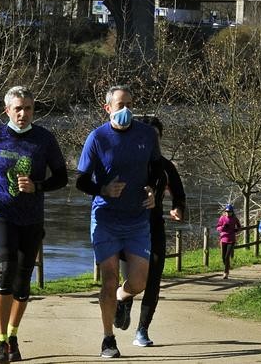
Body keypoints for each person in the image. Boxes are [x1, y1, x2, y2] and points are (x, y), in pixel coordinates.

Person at [0, 86, 68, 363]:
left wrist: (37, 186)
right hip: (1, 213)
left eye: (28, 108)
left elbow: (61, 177)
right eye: (18, 108)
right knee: (5, 269)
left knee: (23, 280)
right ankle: (0, 341)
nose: (23, 113)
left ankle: (13, 336)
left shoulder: (44, 139)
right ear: (7, 111)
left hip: (32, 218)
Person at [75, 85, 163, 359]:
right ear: (107, 108)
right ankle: (108, 340)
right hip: (106, 218)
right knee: (109, 279)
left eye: (130, 104)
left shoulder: (147, 134)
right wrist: (102, 189)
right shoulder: (97, 138)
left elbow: (157, 169)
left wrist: (153, 190)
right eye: (120, 104)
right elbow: (80, 181)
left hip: (137, 219)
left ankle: (124, 299)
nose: (126, 110)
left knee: (139, 282)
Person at [123, 115, 186, 347]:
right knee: (131, 277)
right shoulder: (125, 161)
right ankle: (124, 301)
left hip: (154, 226)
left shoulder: (166, 167)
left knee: (154, 278)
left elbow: (179, 194)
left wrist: (178, 209)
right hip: (127, 226)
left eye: (156, 137)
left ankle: (142, 330)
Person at [216, 204, 241, 279]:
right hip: (223, 240)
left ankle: (226, 272)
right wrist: (223, 227)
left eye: (229, 211)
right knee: (223, 257)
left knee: (227, 257)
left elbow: (239, 227)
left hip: (231, 240)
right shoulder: (222, 218)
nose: (228, 213)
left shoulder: (235, 219)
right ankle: (227, 266)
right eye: (226, 211)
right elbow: (217, 228)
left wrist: (237, 229)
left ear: (232, 212)